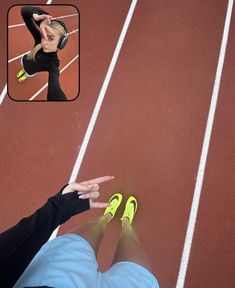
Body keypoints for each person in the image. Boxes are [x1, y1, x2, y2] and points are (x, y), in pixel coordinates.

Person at [13, 192, 159, 287]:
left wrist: (55, 208)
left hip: (51, 279)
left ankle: (109, 217)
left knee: (92, 229)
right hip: (55, 277)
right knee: (133, 252)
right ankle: (126, 222)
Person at [0, 176, 113, 288]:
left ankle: (108, 218)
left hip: (49, 276)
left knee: (90, 233)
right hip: (57, 275)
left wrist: (59, 207)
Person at [16, 6, 69, 101]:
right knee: (23, 67)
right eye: (43, 36)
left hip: (31, 71)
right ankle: (22, 71)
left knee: (26, 72)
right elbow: (24, 11)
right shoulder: (39, 40)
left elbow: (55, 92)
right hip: (25, 60)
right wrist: (39, 17)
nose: (44, 42)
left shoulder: (53, 64)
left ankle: (24, 74)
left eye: (50, 38)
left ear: (62, 43)